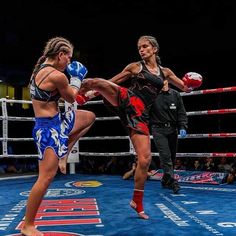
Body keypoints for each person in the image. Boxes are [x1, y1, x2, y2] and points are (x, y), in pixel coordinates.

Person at [78, 35, 199, 219]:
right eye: (139, 47)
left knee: (144, 160)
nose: (141, 50)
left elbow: (183, 87)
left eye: (145, 46)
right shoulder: (135, 67)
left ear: (154, 49)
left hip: (140, 116)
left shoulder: (164, 72)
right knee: (96, 82)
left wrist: (191, 83)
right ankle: (75, 99)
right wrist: (93, 93)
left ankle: (137, 201)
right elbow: (115, 80)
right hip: (127, 99)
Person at [21, 37, 96, 236]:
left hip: (58, 122)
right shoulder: (56, 75)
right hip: (48, 130)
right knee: (45, 178)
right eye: (68, 58)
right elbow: (71, 97)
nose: (69, 63)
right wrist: (77, 79)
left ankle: (65, 153)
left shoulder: (40, 69)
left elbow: (68, 98)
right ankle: (28, 225)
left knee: (89, 117)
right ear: (60, 55)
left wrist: (85, 95)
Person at [149, 79, 188, 194]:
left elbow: (181, 112)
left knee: (171, 157)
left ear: (167, 81)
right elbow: (145, 111)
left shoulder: (175, 94)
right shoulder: (152, 94)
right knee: (165, 156)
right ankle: (173, 182)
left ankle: (165, 179)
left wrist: (183, 127)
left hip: (173, 129)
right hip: (158, 129)